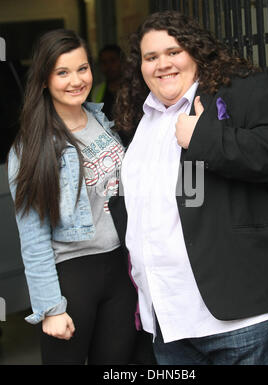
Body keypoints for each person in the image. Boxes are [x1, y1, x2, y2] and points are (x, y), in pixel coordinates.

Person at [109, 10, 268, 365]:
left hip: (243, 320)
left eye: (173, 52)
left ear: (196, 51)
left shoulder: (241, 88)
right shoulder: (141, 115)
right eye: (151, 57)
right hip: (168, 324)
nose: (162, 64)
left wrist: (204, 139)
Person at [7, 29, 138, 365]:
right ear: (44, 79)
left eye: (82, 68)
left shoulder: (102, 120)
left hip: (121, 266)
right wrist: (51, 308)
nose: (76, 80)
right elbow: (33, 237)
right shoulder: (31, 148)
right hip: (72, 277)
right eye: (62, 72)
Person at [91, 44, 123, 121]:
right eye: (104, 62)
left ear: (122, 61)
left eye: (113, 60)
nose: (108, 66)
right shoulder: (96, 91)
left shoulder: (134, 89)